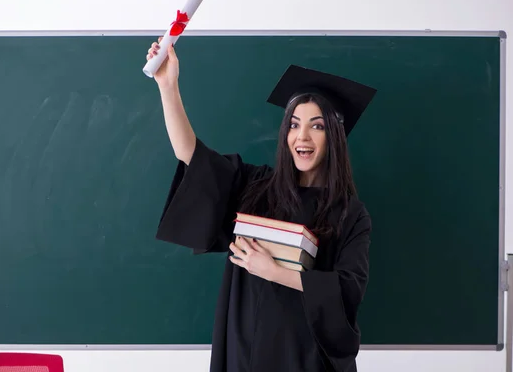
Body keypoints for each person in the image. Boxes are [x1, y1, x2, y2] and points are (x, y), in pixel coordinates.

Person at [146, 38, 377, 372]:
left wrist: (275, 272)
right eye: (294, 125)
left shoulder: (351, 215)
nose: (303, 137)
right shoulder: (255, 188)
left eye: (317, 127)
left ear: (334, 138)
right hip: (246, 351)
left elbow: (346, 290)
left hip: (307, 358)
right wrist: (168, 87)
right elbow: (191, 157)